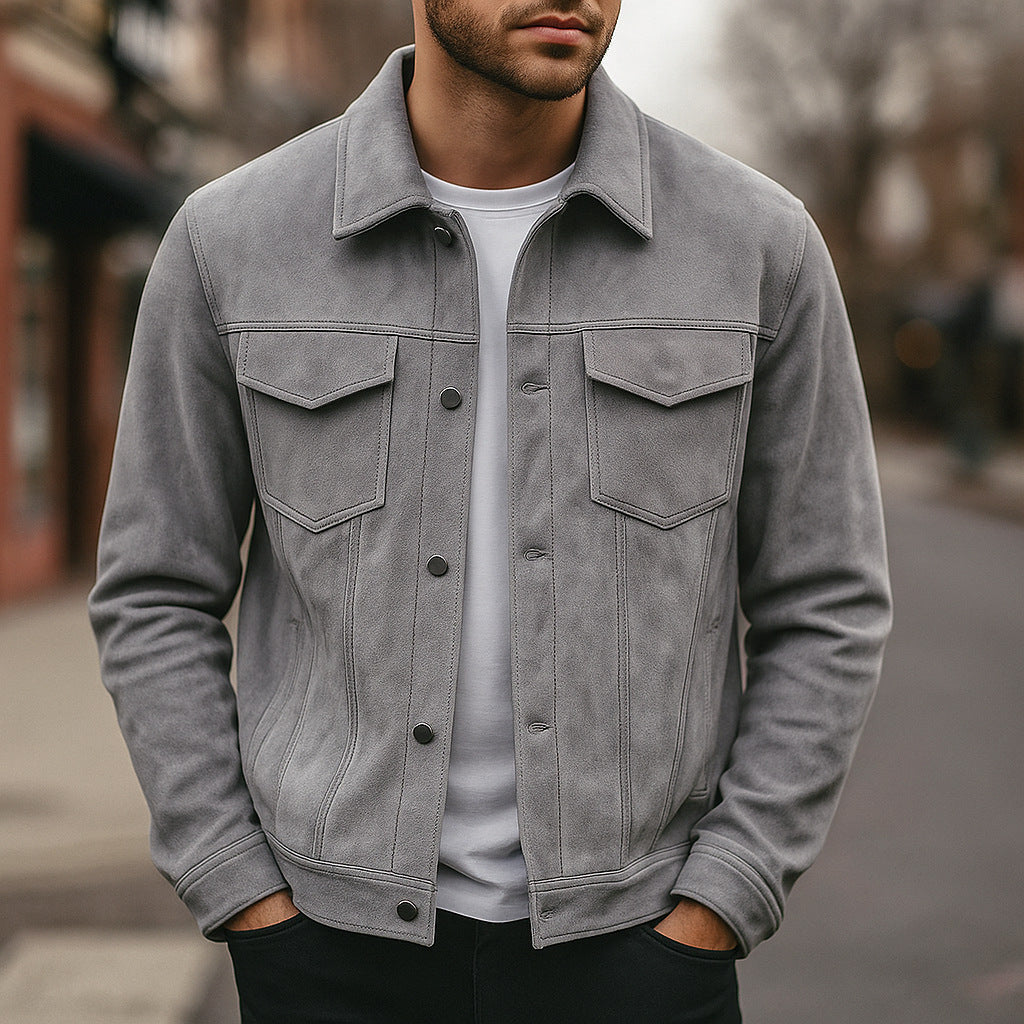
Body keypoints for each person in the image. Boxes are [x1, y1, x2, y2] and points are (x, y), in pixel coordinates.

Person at [87, 2, 893, 1021]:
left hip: (637, 954)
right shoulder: (231, 242)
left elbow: (828, 601)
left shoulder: (757, 247)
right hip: (326, 955)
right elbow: (154, 589)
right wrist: (238, 884)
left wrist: (723, 896)